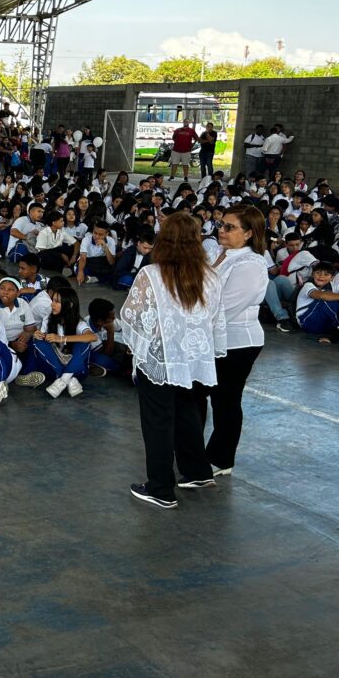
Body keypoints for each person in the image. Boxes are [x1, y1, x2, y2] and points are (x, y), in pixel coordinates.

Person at [119, 211, 226, 509]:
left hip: (161, 357)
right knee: (187, 411)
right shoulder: (210, 276)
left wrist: (140, 347)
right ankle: (197, 471)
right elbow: (216, 320)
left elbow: (132, 316)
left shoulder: (152, 274)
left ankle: (161, 488)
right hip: (193, 357)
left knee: (158, 420)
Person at [196, 205, 268, 478]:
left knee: (225, 399)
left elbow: (225, 307)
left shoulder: (251, 265)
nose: (222, 230)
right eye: (221, 225)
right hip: (207, 336)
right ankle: (193, 450)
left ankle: (221, 458)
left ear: (249, 233)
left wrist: (187, 319)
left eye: (230, 227)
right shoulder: (217, 252)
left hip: (238, 342)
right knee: (196, 393)